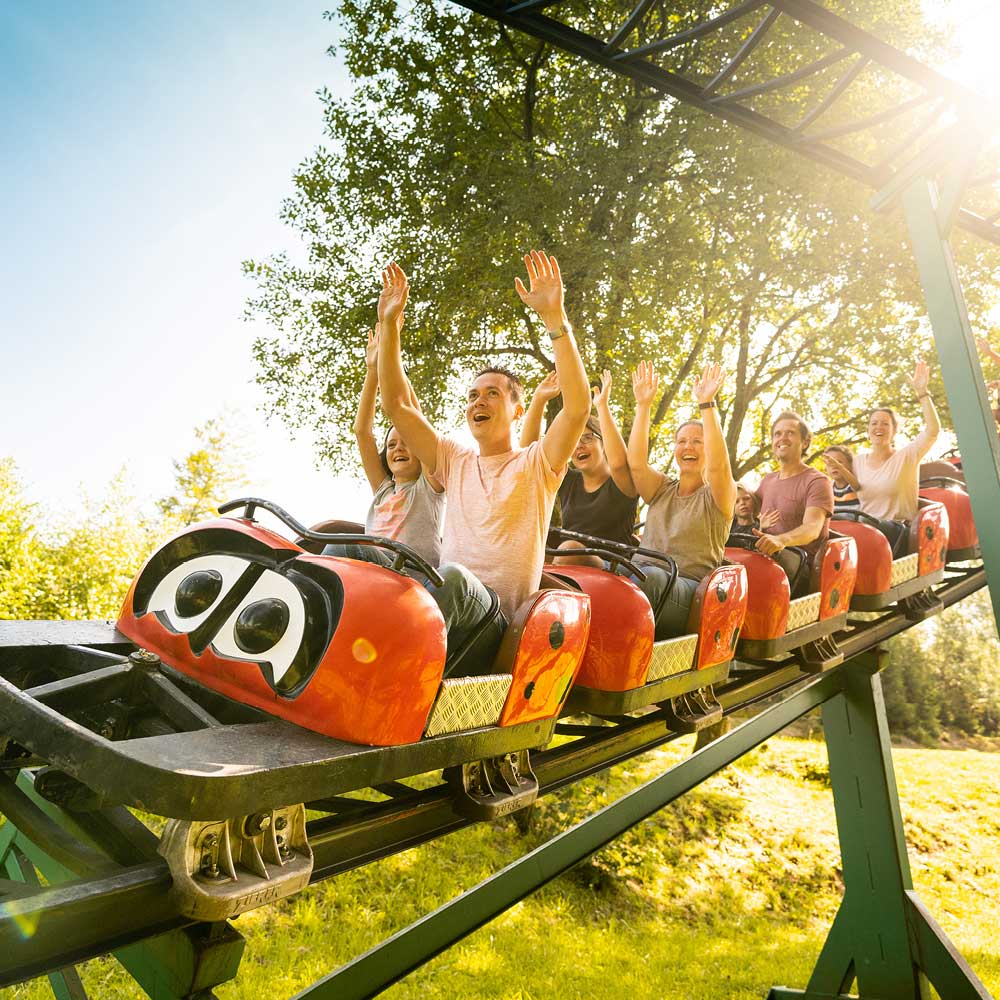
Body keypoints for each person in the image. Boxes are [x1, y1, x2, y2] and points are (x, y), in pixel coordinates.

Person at [376, 252, 591, 674]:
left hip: (493, 628)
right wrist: (388, 328)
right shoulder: (454, 459)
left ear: (516, 410)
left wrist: (555, 319)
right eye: (473, 395)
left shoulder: (536, 464)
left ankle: (387, 676)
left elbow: (578, 407)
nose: (479, 400)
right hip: (443, 613)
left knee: (452, 580)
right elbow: (396, 405)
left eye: (492, 393)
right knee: (362, 556)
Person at [627, 361, 737, 638]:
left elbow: (719, 467)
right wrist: (643, 406)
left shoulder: (717, 494)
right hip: (642, 577)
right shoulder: (662, 488)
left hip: (688, 591)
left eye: (697, 441)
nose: (688, 447)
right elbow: (636, 464)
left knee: (649, 578)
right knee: (591, 562)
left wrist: (707, 405)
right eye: (682, 441)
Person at [322, 325, 444, 567]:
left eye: (406, 442)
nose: (397, 448)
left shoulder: (427, 488)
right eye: (390, 445)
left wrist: (393, 361)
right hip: (376, 573)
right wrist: (372, 372)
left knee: (342, 544)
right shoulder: (384, 491)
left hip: (409, 575)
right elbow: (362, 432)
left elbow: (413, 417)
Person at [520, 369, 638, 565]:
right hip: (567, 560)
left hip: (612, 568)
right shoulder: (569, 480)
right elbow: (529, 458)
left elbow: (618, 463)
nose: (579, 445)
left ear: (603, 444)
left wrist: (602, 407)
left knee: (570, 549)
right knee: (528, 541)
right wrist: (539, 401)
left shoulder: (623, 482)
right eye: (574, 440)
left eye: (588, 438)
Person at [851, 362, 940, 523]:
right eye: (874, 423)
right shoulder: (857, 462)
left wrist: (922, 393)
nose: (879, 427)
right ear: (868, 430)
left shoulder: (907, 456)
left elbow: (933, 430)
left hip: (897, 530)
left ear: (894, 431)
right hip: (865, 530)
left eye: (885, 423)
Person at [753, 412, 834, 589]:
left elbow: (812, 529)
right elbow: (741, 507)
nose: (782, 438)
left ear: (805, 443)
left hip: (800, 566)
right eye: (777, 434)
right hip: (765, 556)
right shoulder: (768, 480)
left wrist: (780, 540)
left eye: (790, 433)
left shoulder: (817, 481)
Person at [821, 446, 860, 510]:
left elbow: (857, 486)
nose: (834, 466)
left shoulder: (857, 483)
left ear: (851, 465)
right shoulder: (827, 488)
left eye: (839, 462)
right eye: (829, 463)